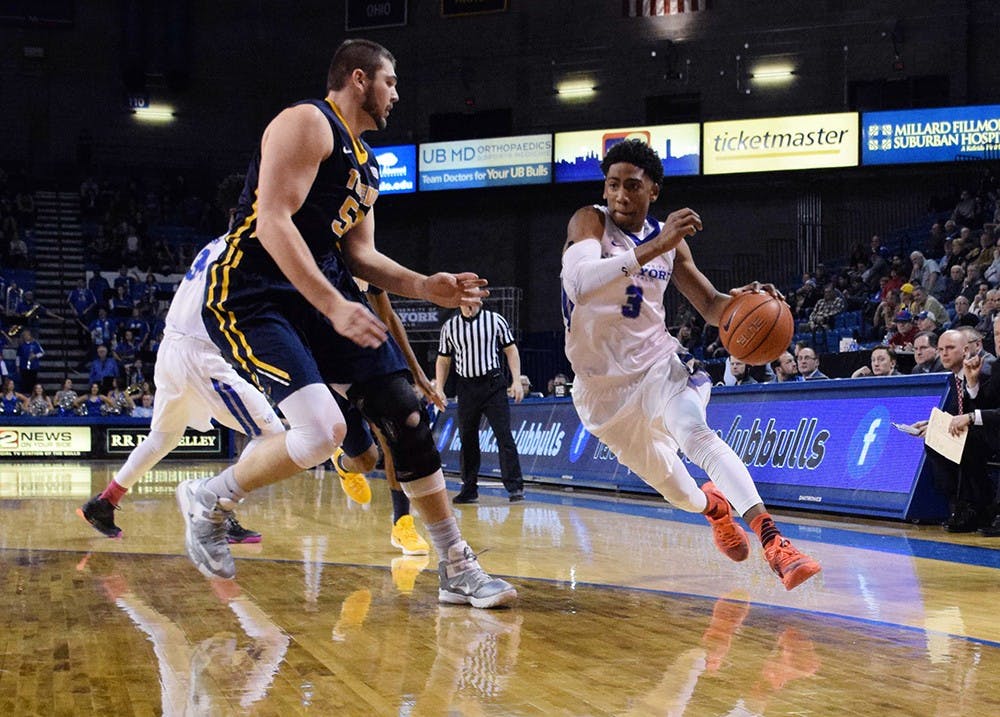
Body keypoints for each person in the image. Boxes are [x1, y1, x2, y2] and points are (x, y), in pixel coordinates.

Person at [184, 39, 514, 608]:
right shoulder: (308, 121)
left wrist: (422, 285)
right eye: (391, 81)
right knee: (322, 434)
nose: (397, 94)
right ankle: (210, 500)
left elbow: (362, 255)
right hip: (253, 291)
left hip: (323, 291)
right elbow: (272, 222)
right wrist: (335, 305)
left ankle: (456, 564)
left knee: (405, 413)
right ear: (359, 79)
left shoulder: (368, 165)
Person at [559, 138, 820, 591]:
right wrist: (654, 244)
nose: (620, 195)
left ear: (653, 191)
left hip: (659, 365)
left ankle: (774, 540)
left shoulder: (670, 246)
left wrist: (748, 302)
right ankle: (714, 509)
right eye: (613, 185)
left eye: (632, 186)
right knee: (677, 491)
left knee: (693, 431)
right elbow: (580, 284)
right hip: (600, 394)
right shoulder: (590, 222)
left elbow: (713, 308)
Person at [78, 235, 279, 544]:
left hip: (172, 348)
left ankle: (104, 502)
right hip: (197, 354)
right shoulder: (248, 245)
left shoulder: (215, 243)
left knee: (163, 438)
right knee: (272, 435)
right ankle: (214, 509)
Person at [435, 302, 526, 504]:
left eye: (474, 300)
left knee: (504, 435)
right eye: (466, 300)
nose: (470, 305)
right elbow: (443, 359)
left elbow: (511, 350)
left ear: (480, 301)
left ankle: (515, 487)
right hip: (466, 386)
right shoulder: (449, 327)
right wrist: (439, 388)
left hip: (492, 384)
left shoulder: (495, 320)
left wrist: (517, 380)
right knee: (467, 439)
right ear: (459, 302)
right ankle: (469, 489)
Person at [911, 329, 1000, 533]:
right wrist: (931, 424)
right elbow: (954, 413)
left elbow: (982, 409)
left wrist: (972, 384)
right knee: (934, 441)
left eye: (950, 348)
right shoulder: (952, 379)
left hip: (989, 434)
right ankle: (958, 504)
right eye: (941, 349)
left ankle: (972, 506)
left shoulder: (985, 372)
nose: (944, 353)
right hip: (973, 433)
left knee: (962, 443)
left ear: (966, 349)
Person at [15, 328, 43, 393]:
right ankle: (25, 393)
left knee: (33, 381)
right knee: (24, 381)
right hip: (23, 366)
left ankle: (32, 393)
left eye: (28, 335)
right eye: (25, 335)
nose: (26, 336)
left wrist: (35, 356)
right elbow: (18, 356)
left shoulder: (35, 343)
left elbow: (42, 352)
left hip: (33, 366)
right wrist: (17, 366)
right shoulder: (21, 345)